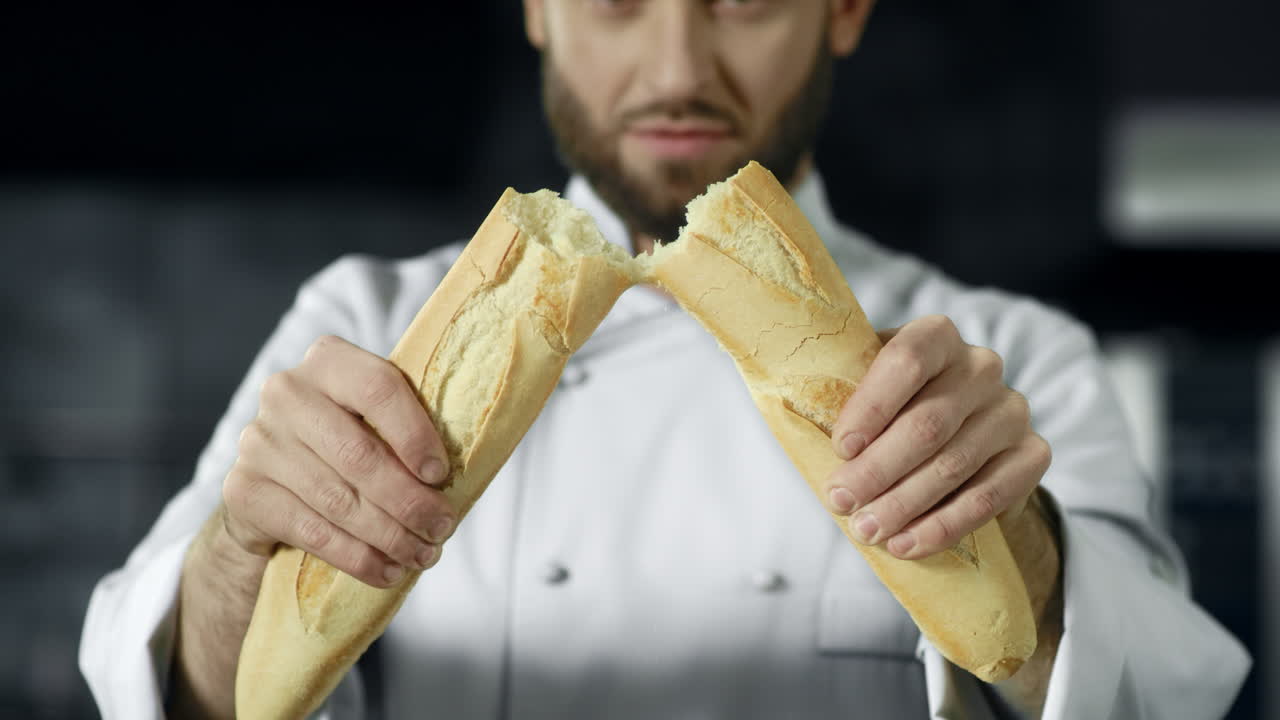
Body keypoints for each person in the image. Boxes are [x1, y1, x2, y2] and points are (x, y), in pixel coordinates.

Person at [80, 1, 1250, 718]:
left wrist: (1026, 564)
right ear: (537, 7)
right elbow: (174, 699)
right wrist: (237, 553)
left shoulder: (1004, 357)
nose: (676, 65)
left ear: (843, 7)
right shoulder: (361, 317)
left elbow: (1156, 697)